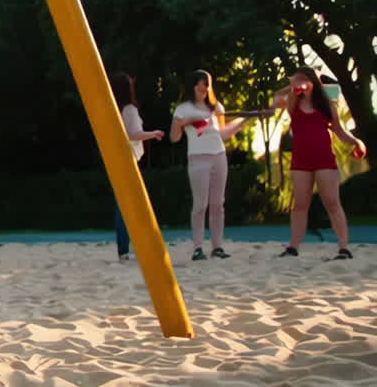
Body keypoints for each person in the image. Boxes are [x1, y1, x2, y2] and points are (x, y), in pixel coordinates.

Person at [272, 67, 366, 260]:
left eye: (304, 80)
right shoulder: (293, 103)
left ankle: (343, 248)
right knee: (300, 204)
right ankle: (293, 247)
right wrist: (294, 85)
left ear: (313, 82)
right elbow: (276, 98)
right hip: (301, 160)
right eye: (296, 80)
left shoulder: (327, 106)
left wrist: (357, 141)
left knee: (332, 202)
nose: (299, 83)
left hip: (324, 158)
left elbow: (340, 131)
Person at [170, 70, 260, 261]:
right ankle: (198, 248)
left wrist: (244, 119)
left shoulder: (216, 107)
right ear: (193, 86)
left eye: (206, 84)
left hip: (218, 156)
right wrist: (183, 123)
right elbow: (174, 137)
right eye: (200, 84)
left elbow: (224, 133)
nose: (203, 88)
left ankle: (217, 247)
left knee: (218, 204)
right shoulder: (183, 109)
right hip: (197, 158)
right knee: (200, 205)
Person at [109, 72, 164, 262]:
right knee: (129, 206)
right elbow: (133, 134)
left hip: (117, 159)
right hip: (128, 160)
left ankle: (124, 249)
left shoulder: (112, 109)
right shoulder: (129, 109)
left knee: (123, 206)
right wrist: (153, 133)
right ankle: (128, 249)